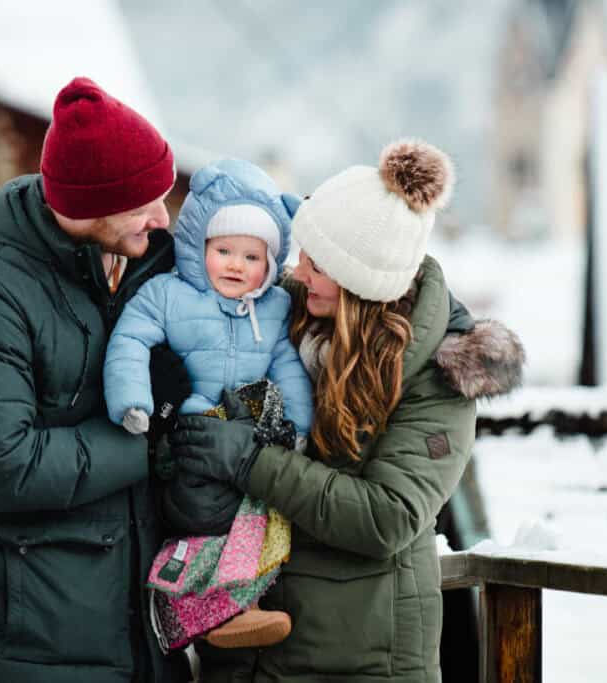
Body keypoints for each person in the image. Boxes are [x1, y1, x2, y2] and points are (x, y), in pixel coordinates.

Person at [168, 138, 526, 682]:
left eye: (318, 261)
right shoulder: (285, 314)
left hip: (360, 661)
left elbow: (386, 516)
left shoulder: (440, 375)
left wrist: (250, 463)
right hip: (252, 660)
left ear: (361, 280)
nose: (299, 268)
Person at [0, 76, 189, 683]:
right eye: (143, 200)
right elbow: (5, 468)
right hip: (32, 653)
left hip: (147, 643)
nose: (160, 215)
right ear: (91, 201)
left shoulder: (151, 268)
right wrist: (151, 441)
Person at [103, 159, 313, 650]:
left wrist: (298, 426)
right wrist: (131, 401)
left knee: (261, 520)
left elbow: (287, 366)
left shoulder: (276, 308)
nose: (237, 265)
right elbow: (130, 341)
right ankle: (189, 602)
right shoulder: (168, 296)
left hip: (250, 433)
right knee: (203, 517)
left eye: (252, 256)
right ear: (199, 248)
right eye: (223, 251)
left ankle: (239, 607)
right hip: (192, 431)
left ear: (271, 262)